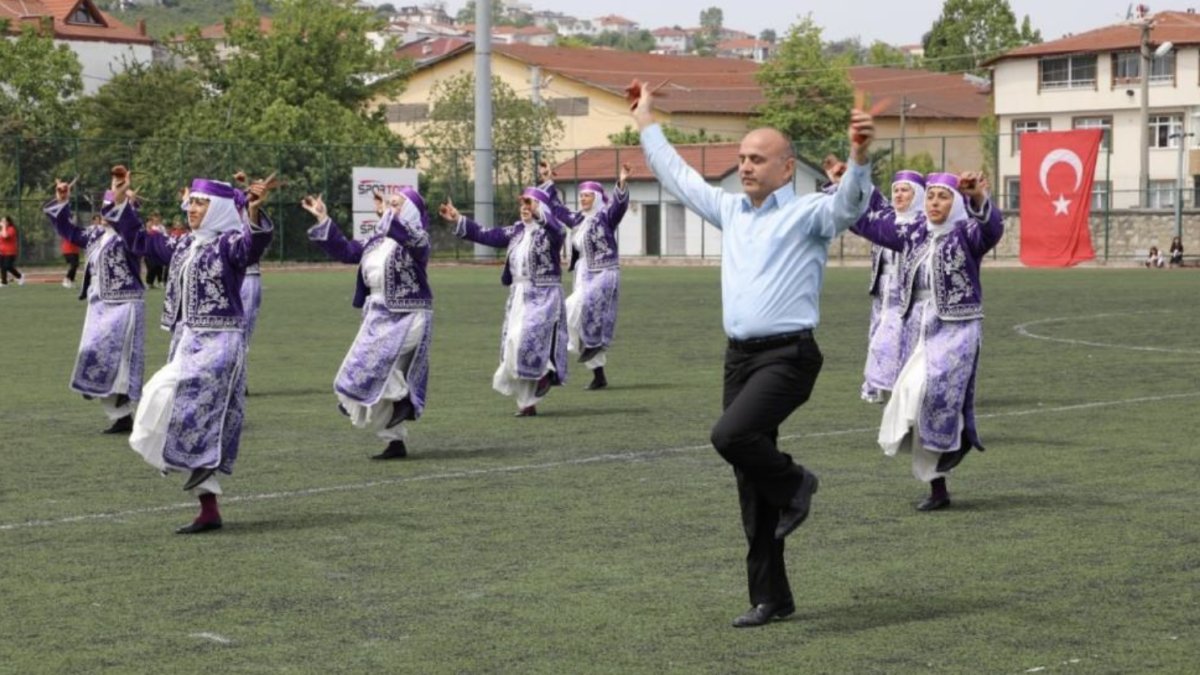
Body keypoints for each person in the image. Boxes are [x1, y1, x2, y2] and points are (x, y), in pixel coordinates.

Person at [632, 78, 876, 628]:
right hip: (739, 358)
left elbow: (849, 206)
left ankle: (798, 482)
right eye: (742, 158)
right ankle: (772, 597)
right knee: (748, 479)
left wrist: (859, 158)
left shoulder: (809, 213)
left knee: (730, 437)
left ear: (786, 168)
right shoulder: (731, 211)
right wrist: (647, 120)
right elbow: (676, 176)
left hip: (789, 357)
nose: (745, 167)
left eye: (758, 159)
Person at [124, 175, 274, 534]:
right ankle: (208, 509)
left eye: (200, 203)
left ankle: (206, 488)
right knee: (184, 413)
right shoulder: (183, 245)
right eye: (190, 202)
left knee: (170, 397)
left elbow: (252, 247)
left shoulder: (229, 245)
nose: (191, 209)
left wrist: (253, 210)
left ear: (219, 208)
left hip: (220, 344)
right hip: (186, 341)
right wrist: (122, 204)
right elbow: (140, 240)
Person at [849, 172, 1003, 512]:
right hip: (919, 327)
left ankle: (957, 441)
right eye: (931, 197)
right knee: (913, 402)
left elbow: (992, 230)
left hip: (957, 329)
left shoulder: (967, 235)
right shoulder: (915, 233)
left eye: (943, 197)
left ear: (957, 202)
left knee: (929, 393)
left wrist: (978, 198)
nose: (934, 203)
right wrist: (845, 190)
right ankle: (938, 487)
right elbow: (874, 225)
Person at [304, 187, 433, 460]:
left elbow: (407, 236)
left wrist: (388, 215)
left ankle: (403, 396)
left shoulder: (419, 239)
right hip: (376, 315)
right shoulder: (376, 241)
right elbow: (348, 251)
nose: (390, 208)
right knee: (370, 372)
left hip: (408, 315)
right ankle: (395, 441)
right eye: (390, 204)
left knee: (378, 365)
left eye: (397, 205)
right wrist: (323, 220)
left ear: (409, 210)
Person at [440, 187, 568, 417]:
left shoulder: (551, 232)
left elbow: (559, 231)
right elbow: (486, 234)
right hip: (519, 294)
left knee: (526, 337)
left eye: (530, 203)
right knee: (512, 345)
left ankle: (546, 372)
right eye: (522, 204)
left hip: (544, 293)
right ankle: (527, 403)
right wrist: (458, 219)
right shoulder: (517, 231)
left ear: (541, 207)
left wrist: (539, 212)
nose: (524, 208)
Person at [43, 186, 146, 433]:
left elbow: (132, 230)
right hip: (99, 306)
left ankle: (124, 410)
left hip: (124, 304)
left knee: (120, 361)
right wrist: (62, 201)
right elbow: (68, 230)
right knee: (92, 354)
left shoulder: (130, 236)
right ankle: (119, 413)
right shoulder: (95, 235)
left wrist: (128, 206)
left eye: (114, 206)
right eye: (106, 206)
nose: (107, 211)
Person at [542, 161, 631, 390]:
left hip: (603, 274)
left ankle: (554, 364)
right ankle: (598, 375)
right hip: (583, 275)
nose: (583, 199)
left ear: (598, 198)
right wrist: (548, 180)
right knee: (579, 323)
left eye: (588, 196)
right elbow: (556, 208)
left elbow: (619, 207)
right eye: (581, 196)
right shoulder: (578, 220)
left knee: (567, 310)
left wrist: (621, 182)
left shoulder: (605, 217)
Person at [860, 171, 925, 404]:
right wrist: (844, 180)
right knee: (879, 334)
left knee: (900, 338)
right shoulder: (887, 217)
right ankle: (878, 386)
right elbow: (870, 198)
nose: (899, 194)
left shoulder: (923, 224)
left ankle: (903, 386)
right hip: (883, 290)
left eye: (905, 190)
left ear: (917, 195)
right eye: (896, 190)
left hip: (907, 293)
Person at [142, 212, 167, 288]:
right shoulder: (148, 228)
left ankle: (160, 281)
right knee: (151, 267)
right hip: (150, 251)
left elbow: (165, 237)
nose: (156, 220)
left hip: (159, 250)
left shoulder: (162, 227)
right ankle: (149, 282)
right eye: (154, 218)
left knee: (159, 267)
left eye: (157, 218)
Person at [0, 216, 25, 287]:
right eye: (2, 221)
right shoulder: (2, 229)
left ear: (8, 222)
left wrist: (4, 227)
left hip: (10, 252)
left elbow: (5, 236)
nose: (3, 222)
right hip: (2, 252)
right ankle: (4, 282)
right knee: (2, 267)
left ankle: (20, 276)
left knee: (7, 266)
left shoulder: (11, 229)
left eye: (5, 221)